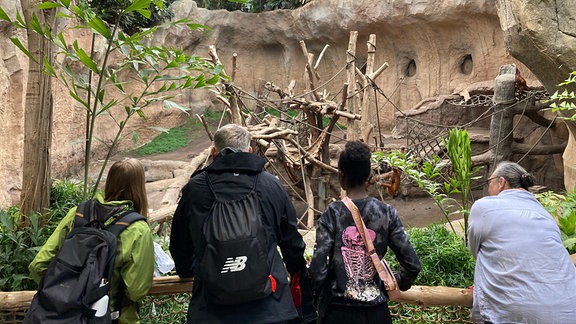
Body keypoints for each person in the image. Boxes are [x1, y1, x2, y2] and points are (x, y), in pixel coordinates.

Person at [169, 123, 308, 324]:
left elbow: (179, 245)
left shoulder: (195, 189)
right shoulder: (270, 185)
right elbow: (292, 243)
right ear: (250, 150)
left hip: (210, 312)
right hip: (271, 309)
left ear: (213, 152)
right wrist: (298, 273)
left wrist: (191, 271)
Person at [29, 158, 155, 324]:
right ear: (139, 187)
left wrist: (66, 294)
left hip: (64, 316)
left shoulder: (78, 214)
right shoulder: (138, 229)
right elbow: (136, 290)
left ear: (109, 181)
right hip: (111, 317)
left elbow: (38, 265)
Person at [309, 140, 422, 324]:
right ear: (368, 174)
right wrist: (388, 286)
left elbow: (317, 271)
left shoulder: (333, 213)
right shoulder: (387, 214)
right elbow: (413, 265)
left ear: (341, 176)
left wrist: (320, 295)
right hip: (377, 313)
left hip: (338, 312)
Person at [468, 161, 576, 323]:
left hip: (515, 313)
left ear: (501, 182)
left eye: (489, 182)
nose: (488, 188)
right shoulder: (544, 214)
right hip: (568, 309)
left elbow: (475, 251)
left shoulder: (484, 207)